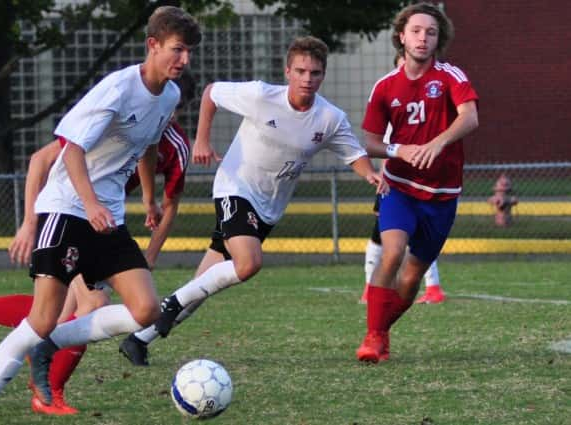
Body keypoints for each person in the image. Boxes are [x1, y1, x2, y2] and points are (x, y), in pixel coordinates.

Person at [0, 7, 201, 424]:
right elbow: (71, 151)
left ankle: (48, 346)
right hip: (68, 208)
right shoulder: (117, 89)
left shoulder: (170, 95)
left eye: (189, 51)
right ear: (152, 45)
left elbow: (150, 147)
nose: (184, 59)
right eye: (177, 49)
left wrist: (150, 199)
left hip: (108, 216)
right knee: (42, 317)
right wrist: (90, 204)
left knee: (146, 311)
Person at [119, 35, 384, 367]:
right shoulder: (261, 95)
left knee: (202, 286)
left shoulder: (329, 118)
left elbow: (354, 154)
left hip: (268, 208)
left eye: (314, 73)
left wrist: (369, 175)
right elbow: (211, 92)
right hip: (235, 188)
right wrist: (202, 140)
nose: (307, 79)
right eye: (300, 70)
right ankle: (169, 305)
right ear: (287, 71)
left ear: (322, 76)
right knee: (248, 263)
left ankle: (139, 340)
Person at [356, 2, 479, 363]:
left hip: (441, 197)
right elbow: (370, 141)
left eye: (430, 32)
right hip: (400, 189)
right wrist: (400, 150)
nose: (422, 38)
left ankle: (379, 332)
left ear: (438, 39)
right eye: (416, 31)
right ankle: (373, 338)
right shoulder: (384, 87)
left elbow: (470, 117)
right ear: (401, 36)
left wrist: (438, 142)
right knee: (391, 252)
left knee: (411, 279)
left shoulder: (450, 77)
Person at [360, 52, 446, 305]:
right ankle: (377, 290)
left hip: (412, 185)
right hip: (394, 182)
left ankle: (375, 290)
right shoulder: (389, 96)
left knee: (399, 241)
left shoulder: (428, 102)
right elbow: (380, 145)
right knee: (389, 240)